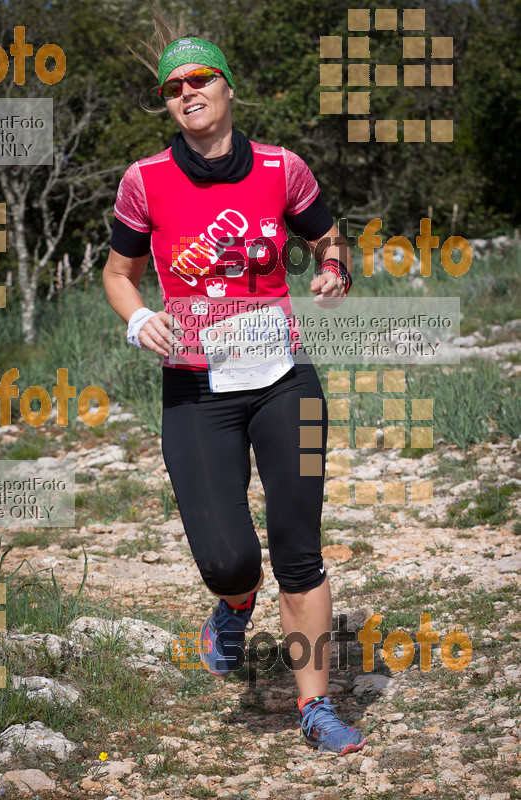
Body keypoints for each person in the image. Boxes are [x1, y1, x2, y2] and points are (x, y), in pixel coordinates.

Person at [103, 15, 367, 756]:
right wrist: (137, 319)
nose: (186, 94)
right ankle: (233, 603)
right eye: (172, 88)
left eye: (199, 80)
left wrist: (333, 268)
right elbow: (118, 274)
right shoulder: (143, 182)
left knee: (299, 552)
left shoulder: (282, 168)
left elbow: (327, 236)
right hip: (194, 390)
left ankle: (312, 707)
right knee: (226, 558)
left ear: (228, 89)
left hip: (285, 379)